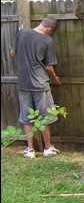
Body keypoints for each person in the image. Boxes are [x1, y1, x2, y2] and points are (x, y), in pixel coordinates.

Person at [10, 16, 61, 159]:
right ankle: (47, 148)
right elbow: (48, 67)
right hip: (40, 84)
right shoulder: (47, 40)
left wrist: (20, 36)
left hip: (24, 84)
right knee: (45, 117)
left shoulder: (22, 33)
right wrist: (55, 79)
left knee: (27, 117)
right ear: (49, 29)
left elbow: (12, 53)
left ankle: (30, 150)